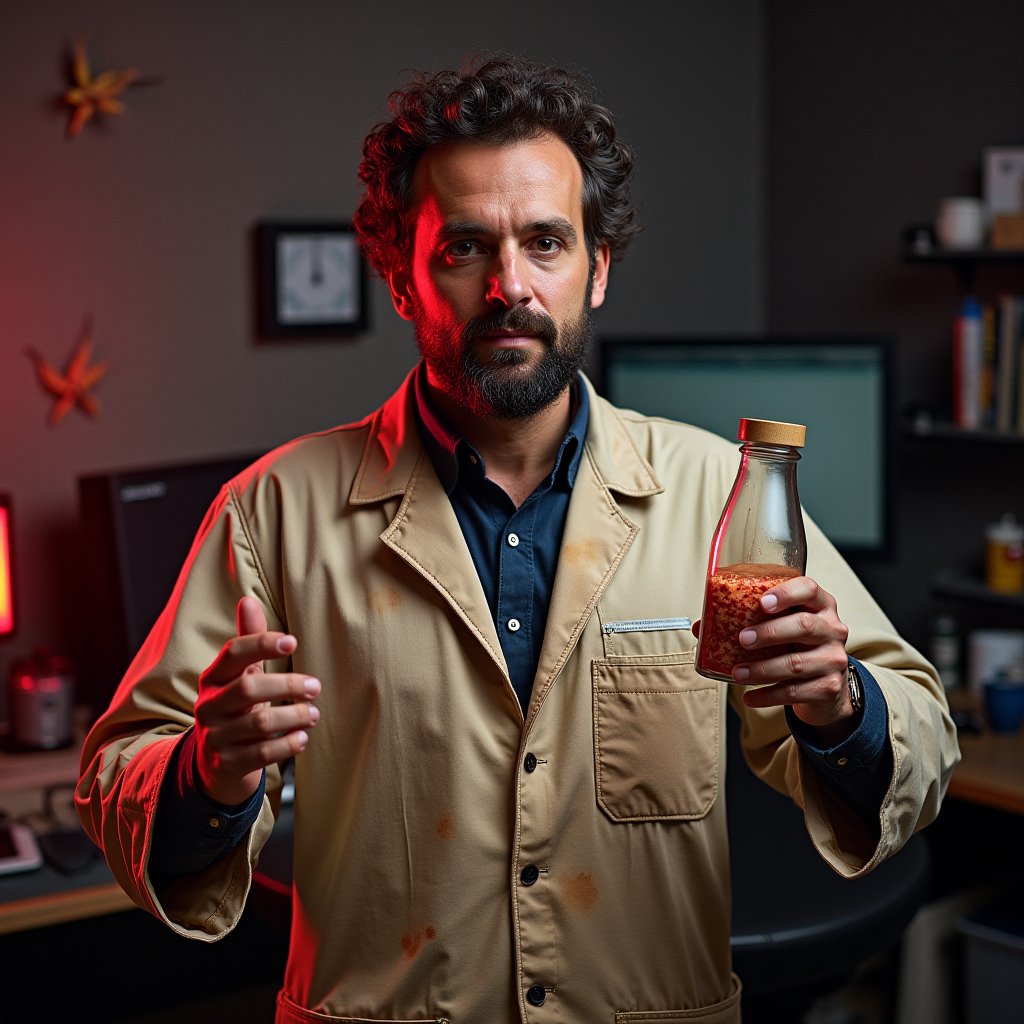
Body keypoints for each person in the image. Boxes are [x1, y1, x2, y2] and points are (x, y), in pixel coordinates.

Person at [76, 56, 959, 1024]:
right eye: (462, 247)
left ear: (599, 267)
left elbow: (918, 741)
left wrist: (840, 707)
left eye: (545, 242)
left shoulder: (721, 492)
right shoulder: (273, 510)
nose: (509, 286)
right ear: (401, 277)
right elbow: (119, 783)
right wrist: (210, 765)